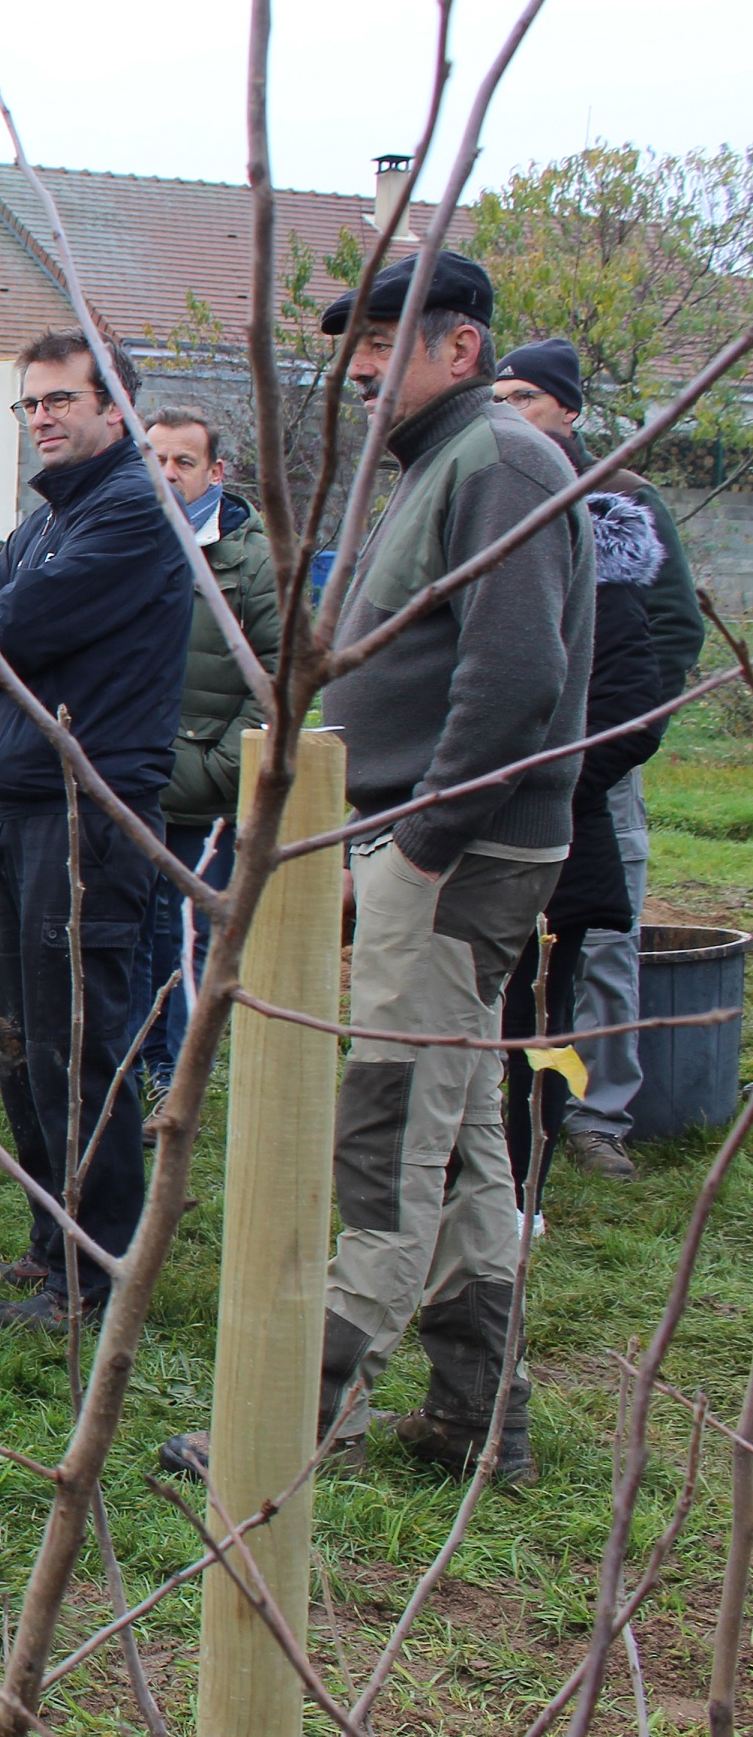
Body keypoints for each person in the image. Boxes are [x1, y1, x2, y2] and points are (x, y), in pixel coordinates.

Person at [162, 253, 589, 1490]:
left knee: (393, 1123)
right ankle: (474, 1417)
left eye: (385, 344)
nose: (356, 368)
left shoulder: (500, 461)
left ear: (460, 351)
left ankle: (299, 1411)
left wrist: (414, 849)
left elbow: (512, 681)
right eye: (351, 346)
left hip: (457, 850)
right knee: (460, 1141)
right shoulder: (436, 467)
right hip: (434, 844)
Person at [0, 329, 190, 1333]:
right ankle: (54, 1244)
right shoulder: (53, 518)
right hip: (27, 803)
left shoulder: (129, 511)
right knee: (22, 1039)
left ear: (114, 409)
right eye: (30, 404)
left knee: (78, 1041)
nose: (43, 418)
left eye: (61, 401)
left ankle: (95, 1273)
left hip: (91, 812)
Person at [491, 335, 707, 1181]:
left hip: (596, 759)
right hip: (506, 768)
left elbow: (671, 632)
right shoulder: (499, 493)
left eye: (524, 400)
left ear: (569, 412)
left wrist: (603, 745)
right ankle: (509, 1122)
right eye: (497, 398)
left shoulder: (619, 499)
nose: (506, 415)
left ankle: (601, 1113)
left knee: (598, 936)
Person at [503, 488, 666, 1192]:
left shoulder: (605, 584)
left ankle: (519, 1183)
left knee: (537, 1014)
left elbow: (636, 708)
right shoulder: (492, 570)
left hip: (559, 839)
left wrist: (551, 785)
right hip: (459, 832)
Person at [131, 410, 284, 1115]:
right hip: (122, 777)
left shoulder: (253, 561)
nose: (166, 473)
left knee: (184, 936)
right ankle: (123, 1068)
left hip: (200, 788)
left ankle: (175, 1077)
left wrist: (217, 770)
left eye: (183, 461)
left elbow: (279, 678)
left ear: (214, 473)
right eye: (155, 458)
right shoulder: (121, 540)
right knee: (124, 931)